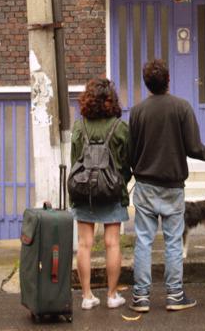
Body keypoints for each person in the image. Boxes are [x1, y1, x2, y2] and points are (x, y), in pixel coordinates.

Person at [128, 59, 205, 312]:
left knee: (143, 241)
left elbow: (131, 151)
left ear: (146, 83)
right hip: (172, 187)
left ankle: (140, 297)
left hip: (145, 185)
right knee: (174, 242)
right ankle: (174, 295)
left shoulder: (137, 112)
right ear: (168, 81)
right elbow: (194, 148)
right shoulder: (181, 108)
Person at [69, 77, 131, 310]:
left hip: (84, 190)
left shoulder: (79, 126)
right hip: (112, 190)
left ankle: (87, 296)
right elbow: (126, 162)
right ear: (111, 100)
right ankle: (112, 295)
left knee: (84, 244)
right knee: (112, 243)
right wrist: (121, 182)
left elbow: (75, 159)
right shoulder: (120, 127)